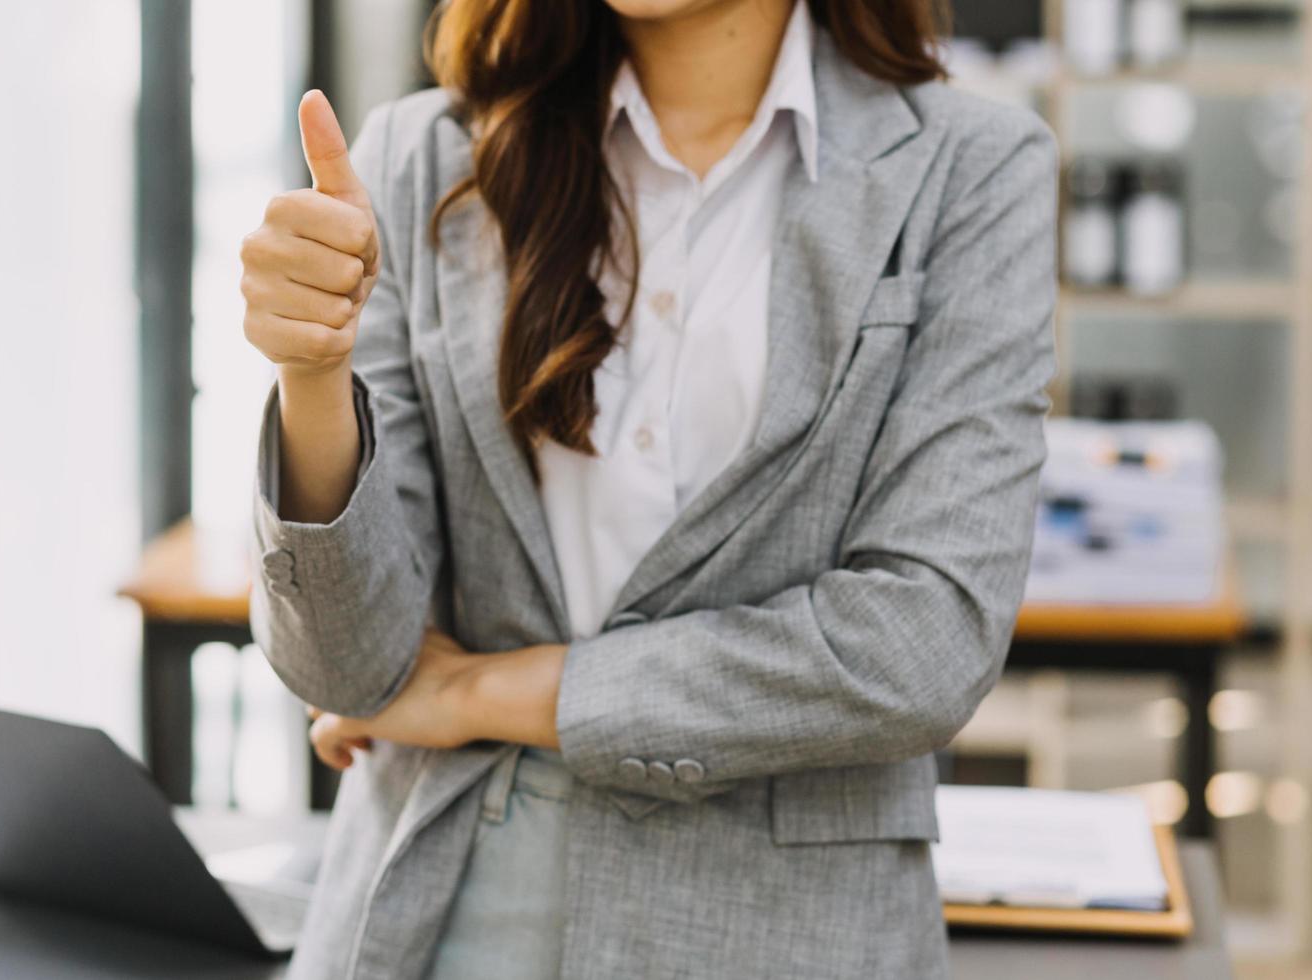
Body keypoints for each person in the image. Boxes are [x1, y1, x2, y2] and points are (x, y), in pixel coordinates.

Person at [239, 0, 1056, 976]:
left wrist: (474, 692)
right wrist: (312, 374)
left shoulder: (970, 166)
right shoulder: (422, 153)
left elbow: (923, 640)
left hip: (785, 934)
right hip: (443, 918)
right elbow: (347, 669)